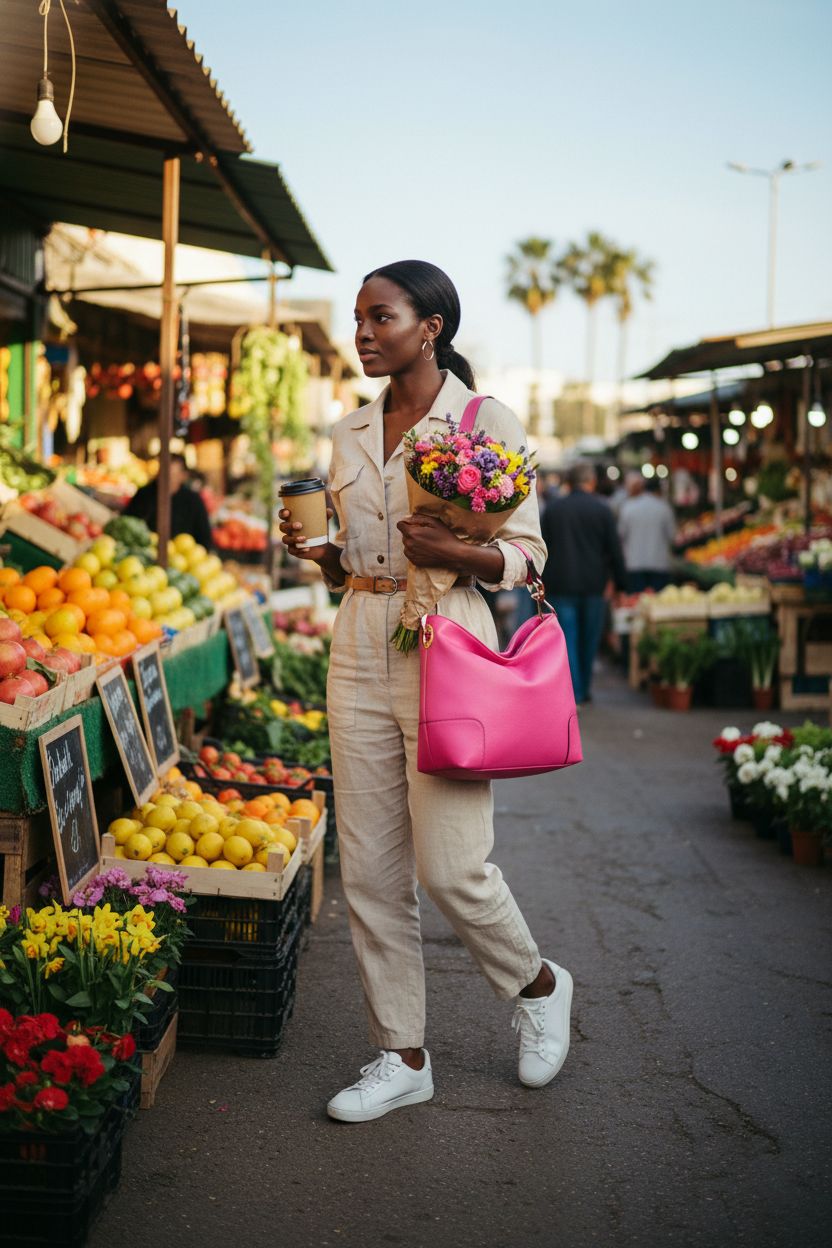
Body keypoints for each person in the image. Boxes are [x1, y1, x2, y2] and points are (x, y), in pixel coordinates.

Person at [280, 260, 572, 1123]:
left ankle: (541, 983)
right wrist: (322, 554)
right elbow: (352, 558)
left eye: (381, 317)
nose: (363, 333)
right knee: (369, 870)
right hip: (358, 641)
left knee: (451, 868)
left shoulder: (484, 420)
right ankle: (401, 1054)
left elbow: (526, 556)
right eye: (358, 318)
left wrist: (459, 555)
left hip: (448, 636)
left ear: (430, 327)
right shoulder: (345, 433)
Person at [541, 460, 627, 705]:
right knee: (589, 641)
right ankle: (583, 689)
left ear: (569, 481)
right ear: (592, 481)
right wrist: (620, 585)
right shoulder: (602, 509)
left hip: (559, 584)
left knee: (568, 641)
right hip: (594, 585)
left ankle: (573, 692)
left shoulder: (554, 509)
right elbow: (614, 550)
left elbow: (541, 549)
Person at [123, 452, 213, 549]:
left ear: (183, 476)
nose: (164, 479)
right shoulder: (143, 495)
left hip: (183, 557)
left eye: (170, 475)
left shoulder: (193, 500)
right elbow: (126, 525)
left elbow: (204, 538)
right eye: (161, 474)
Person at [617, 476, 676, 593]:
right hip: (659, 564)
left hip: (633, 563)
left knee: (635, 603)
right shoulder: (664, 508)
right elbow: (672, 536)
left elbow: (620, 534)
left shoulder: (629, 507)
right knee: (657, 605)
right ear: (659, 491)